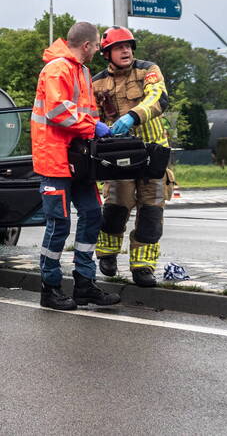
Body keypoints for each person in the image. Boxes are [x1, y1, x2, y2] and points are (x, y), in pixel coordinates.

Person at [32, 22, 121, 310]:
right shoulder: (58, 69)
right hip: (55, 160)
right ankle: (51, 287)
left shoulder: (80, 71)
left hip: (77, 160)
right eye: (96, 45)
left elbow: (84, 114)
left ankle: (84, 284)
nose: (97, 50)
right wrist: (93, 127)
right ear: (86, 45)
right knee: (59, 224)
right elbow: (58, 111)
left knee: (93, 213)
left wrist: (96, 131)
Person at [92, 27, 172, 288]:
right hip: (119, 155)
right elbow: (89, 113)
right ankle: (107, 254)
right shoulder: (96, 82)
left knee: (151, 212)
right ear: (107, 53)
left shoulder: (148, 70)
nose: (125, 50)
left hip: (153, 153)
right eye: (118, 47)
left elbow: (158, 97)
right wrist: (96, 126)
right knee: (116, 206)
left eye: (128, 46)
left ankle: (143, 267)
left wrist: (133, 115)